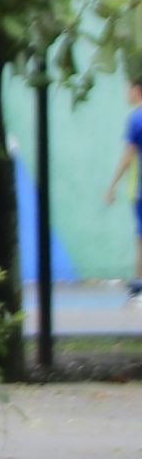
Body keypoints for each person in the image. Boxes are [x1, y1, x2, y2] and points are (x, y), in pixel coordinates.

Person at [102, 75, 142, 302]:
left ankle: (139, 284)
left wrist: (112, 186)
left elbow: (128, 155)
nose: (126, 93)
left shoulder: (137, 119)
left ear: (137, 90)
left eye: (128, 89)